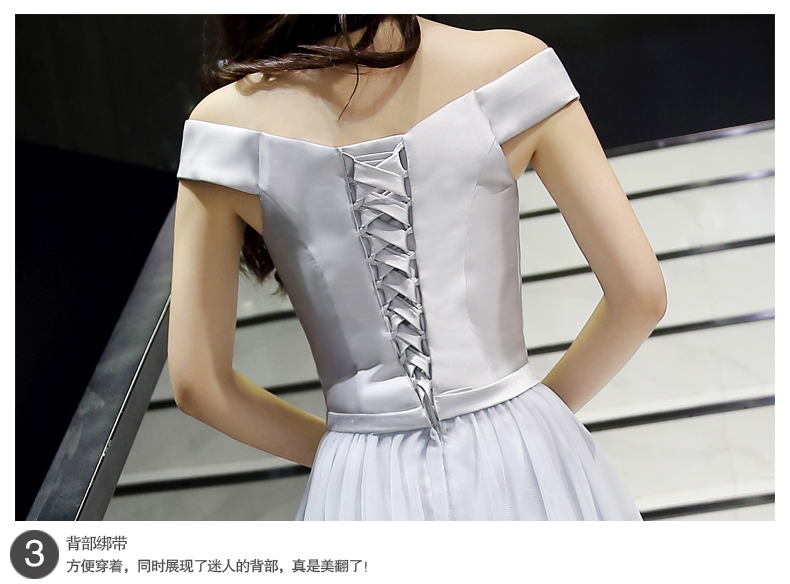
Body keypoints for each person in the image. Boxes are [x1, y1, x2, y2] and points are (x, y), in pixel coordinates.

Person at [169, 15, 667, 520]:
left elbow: (197, 384)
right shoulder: (512, 66)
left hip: (362, 477)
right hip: (521, 448)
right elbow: (641, 296)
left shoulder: (222, 130)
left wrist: (341, 460)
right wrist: (538, 420)